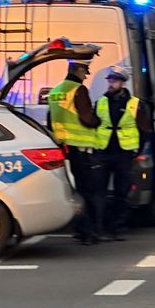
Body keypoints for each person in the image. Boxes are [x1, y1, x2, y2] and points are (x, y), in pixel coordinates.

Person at [47, 59, 103, 245]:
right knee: (88, 192)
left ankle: (79, 229)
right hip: (81, 148)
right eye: (85, 71)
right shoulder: (78, 90)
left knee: (75, 191)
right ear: (78, 70)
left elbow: (50, 120)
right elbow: (86, 117)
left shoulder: (55, 92)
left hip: (64, 147)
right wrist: (98, 121)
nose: (86, 75)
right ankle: (89, 232)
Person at [95, 67, 151, 241]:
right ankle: (101, 227)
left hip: (124, 154)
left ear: (123, 83)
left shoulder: (135, 104)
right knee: (100, 192)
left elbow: (144, 129)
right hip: (103, 151)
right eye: (110, 81)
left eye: (115, 81)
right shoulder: (101, 102)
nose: (111, 84)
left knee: (121, 192)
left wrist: (138, 151)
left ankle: (117, 228)